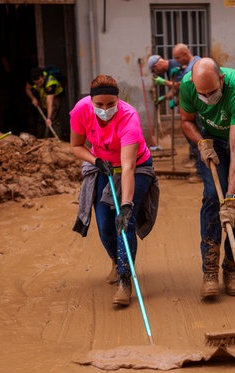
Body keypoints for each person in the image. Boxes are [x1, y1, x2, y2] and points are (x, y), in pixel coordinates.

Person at [70, 75, 159, 307]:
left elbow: (128, 166)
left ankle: (125, 281)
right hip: (104, 165)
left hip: (137, 166)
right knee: (104, 222)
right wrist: (96, 160)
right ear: (91, 101)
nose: (105, 109)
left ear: (118, 99)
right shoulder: (81, 111)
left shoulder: (129, 118)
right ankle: (116, 260)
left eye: (110, 104)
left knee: (124, 221)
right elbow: (76, 146)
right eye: (99, 105)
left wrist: (127, 204)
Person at [178, 58, 235, 299]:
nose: (207, 97)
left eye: (212, 92)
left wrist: (232, 199)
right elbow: (186, 120)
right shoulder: (187, 85)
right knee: (213, 199)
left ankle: (231, 268)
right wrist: (201, 143)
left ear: (222, 80)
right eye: (201, 93)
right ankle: (210, 270)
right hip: (211, 138)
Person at [171, 43, 202, 182]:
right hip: (193, 108)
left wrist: (176, 100)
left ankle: (201, 173)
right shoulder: (190, 65)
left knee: (200, 140)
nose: (176, 61)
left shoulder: (194, 66)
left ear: (185, 53)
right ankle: (199, 169)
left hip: (197, 110)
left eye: (178, 57)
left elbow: (185, 87)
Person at [25, 67, 63, 138]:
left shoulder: (51, 83)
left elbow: (49, 102)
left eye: (40, 82)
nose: (38, 84)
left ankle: (57, 140)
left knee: (52, 118)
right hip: (43, 95)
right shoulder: (32, 80)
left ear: (43, 77)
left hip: (55, 97)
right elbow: (27, 88)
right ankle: (40, 138)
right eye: (36, 83)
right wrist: (33, 99)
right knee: (41, 119)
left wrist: (49, 117)